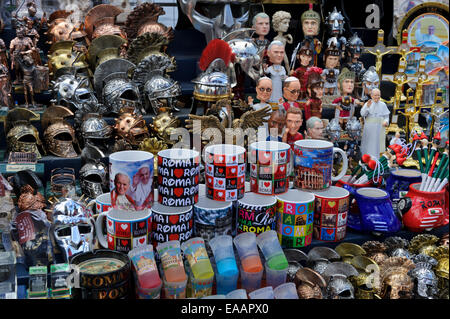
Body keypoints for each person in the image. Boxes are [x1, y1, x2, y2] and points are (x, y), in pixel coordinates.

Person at [360, 88, 390, 158]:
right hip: (370, 128)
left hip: (380, 128)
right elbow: (362, 114)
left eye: (378, 95)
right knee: (369, 145)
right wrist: (367, 107)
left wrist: (386, 121)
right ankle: (367, 159)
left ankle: (377, 159)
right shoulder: (368, 103)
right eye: (375, 95)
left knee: (378, 145)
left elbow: (386, 117)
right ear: (372, 96)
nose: (377, 97)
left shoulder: (383, 105)